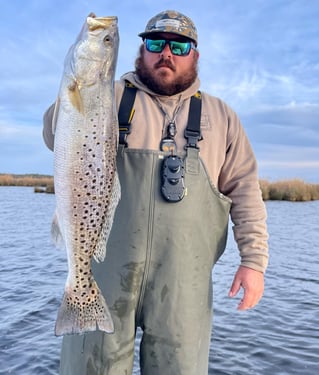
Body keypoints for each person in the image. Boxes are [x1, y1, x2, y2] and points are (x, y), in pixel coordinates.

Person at [43, 10, 268, 375]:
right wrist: (78, 87)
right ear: (140, 50)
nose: (167, 52)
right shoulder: (109, 94)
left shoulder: (222, 116)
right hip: (104, 275)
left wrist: (253, 261)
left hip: (183, 287)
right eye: (155, 42)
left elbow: (245, 191)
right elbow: (54, 137)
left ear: (194, 55)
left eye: (179, 45)